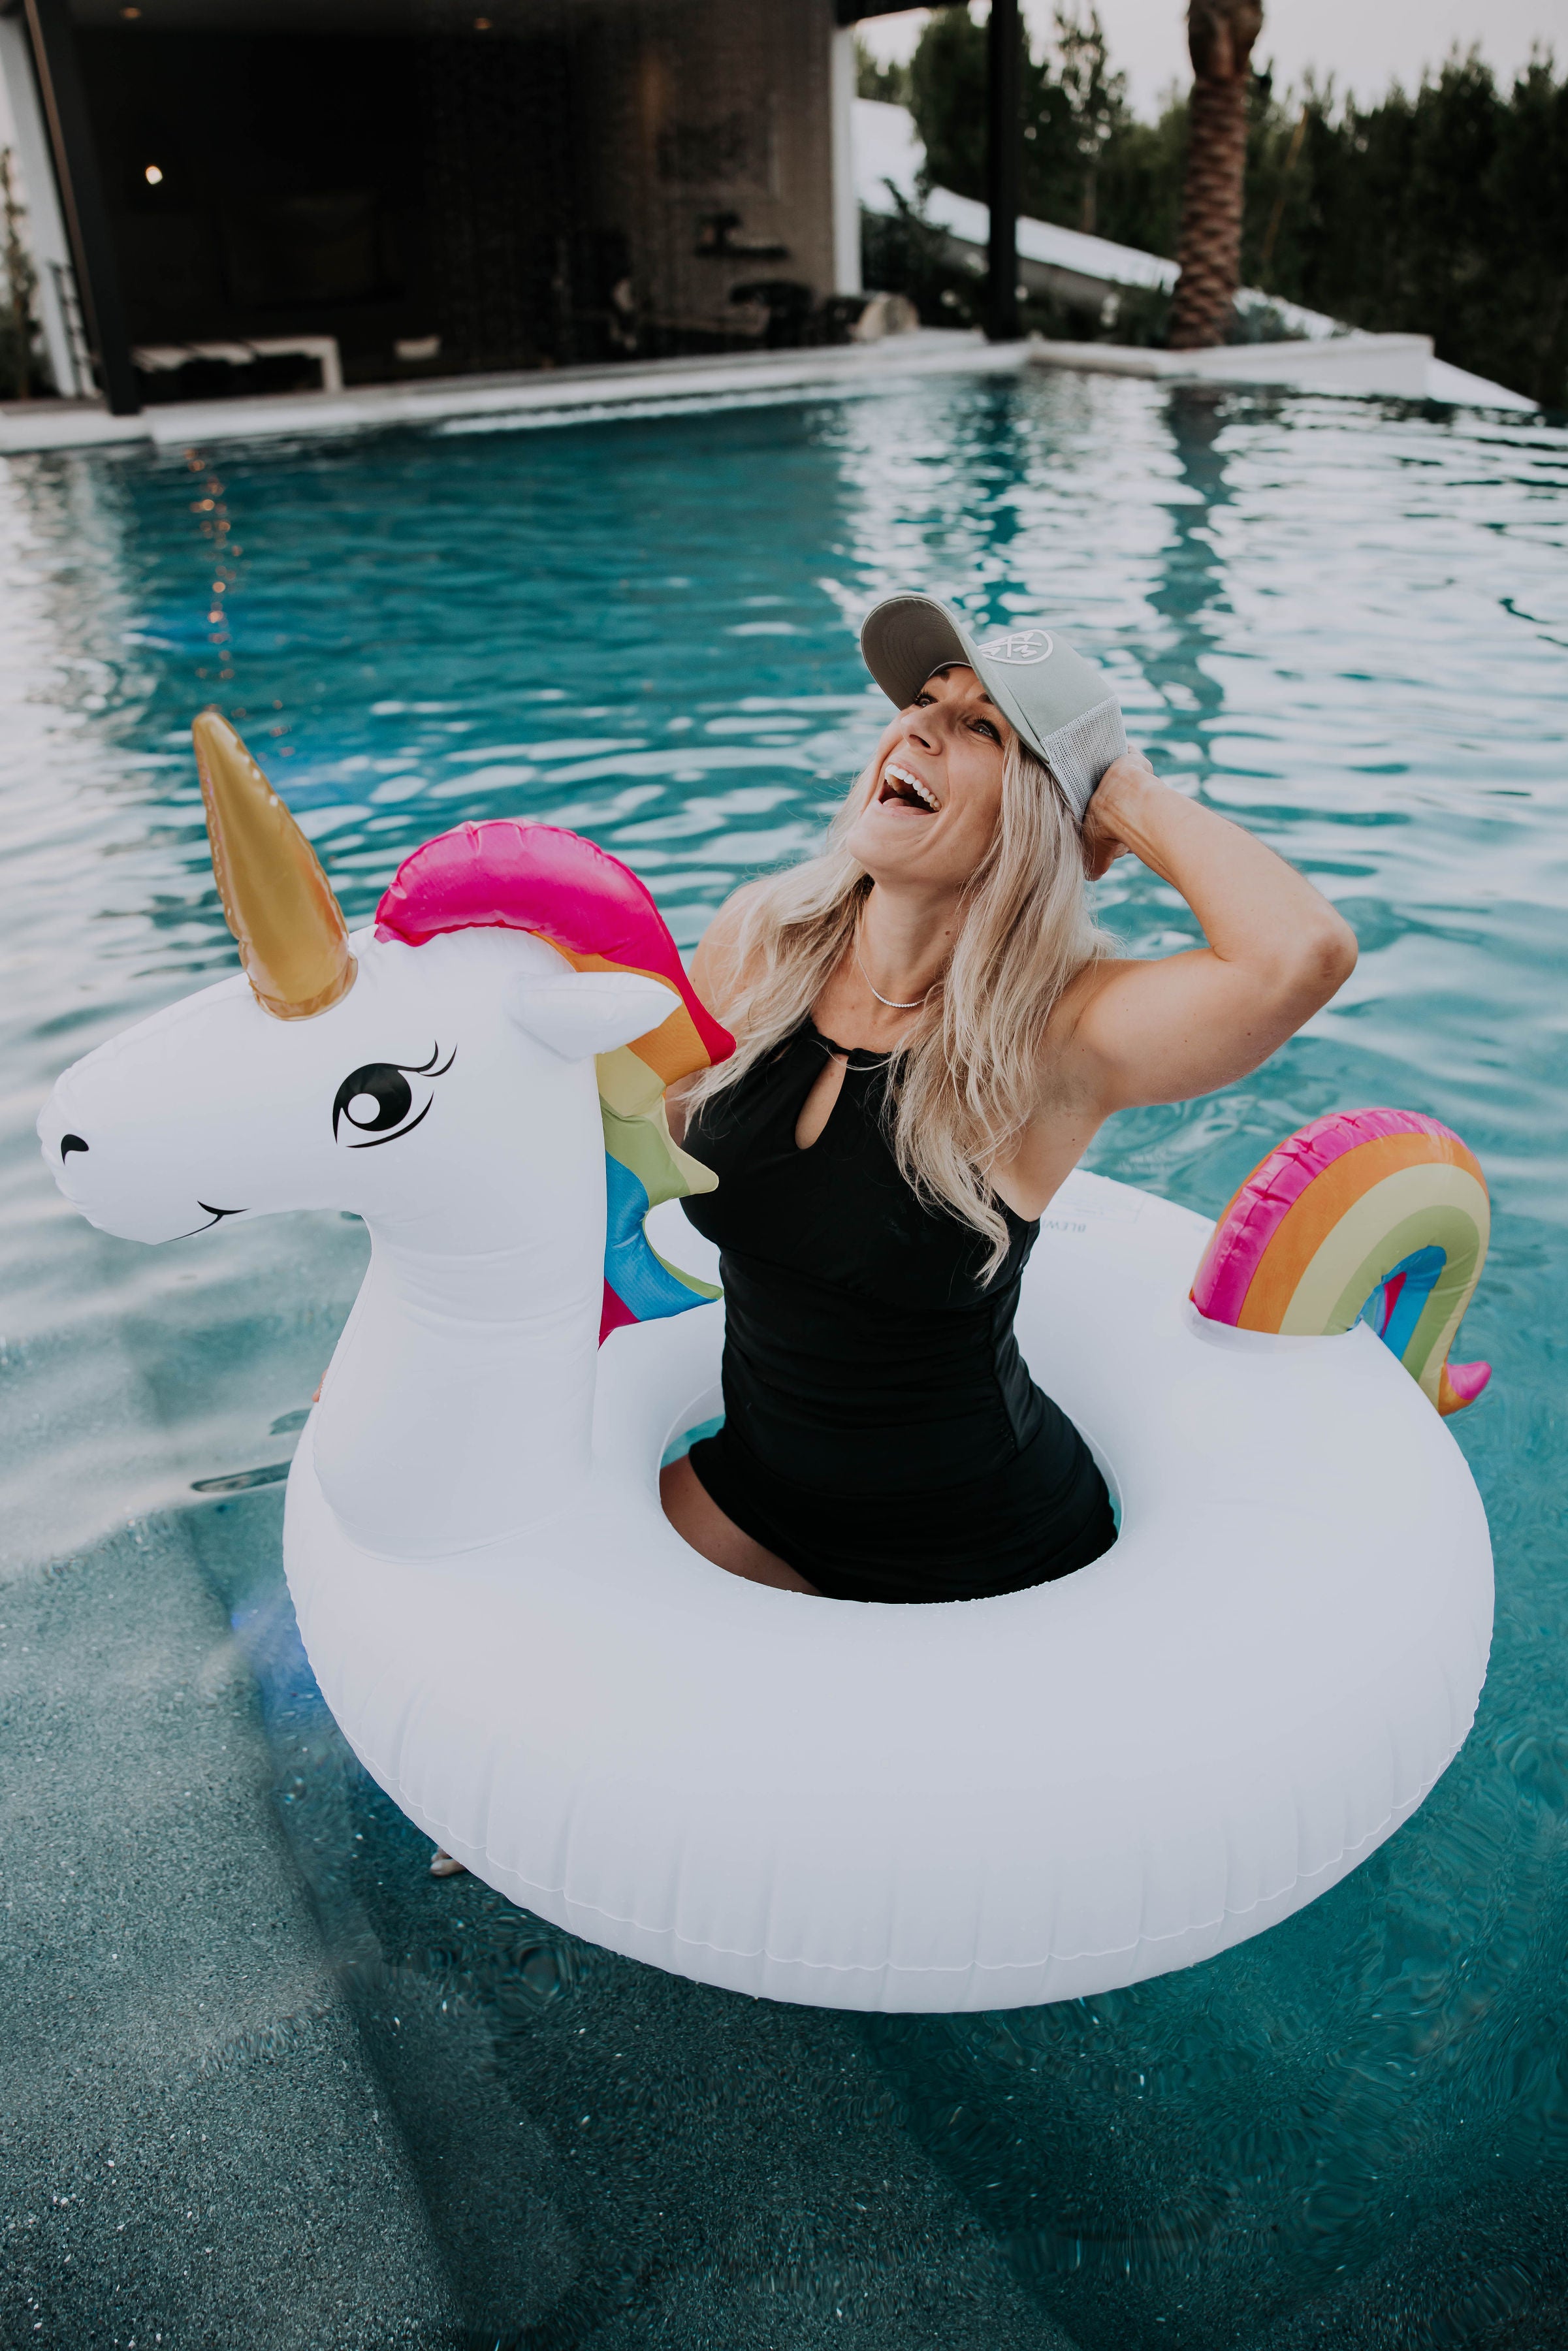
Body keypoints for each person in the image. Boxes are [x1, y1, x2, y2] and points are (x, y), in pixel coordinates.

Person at [660, 592, 1358, 1604]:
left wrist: (1116, 795)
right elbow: (627, 1152)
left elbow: (1302, 954)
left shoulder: (1060, 1039)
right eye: (921, 703)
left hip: (982, 1553)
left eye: (980, 728)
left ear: (1043, 815)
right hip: (755, 1493)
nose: (917, 728)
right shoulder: (756, 942)